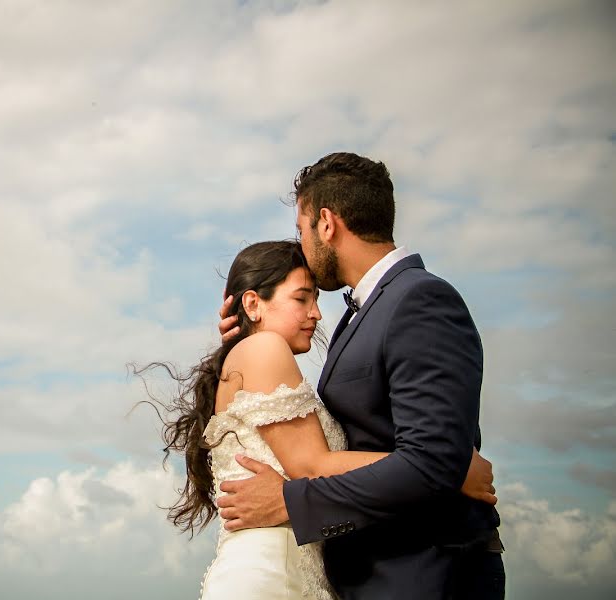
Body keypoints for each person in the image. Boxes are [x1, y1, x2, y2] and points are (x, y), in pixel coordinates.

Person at [137, 241, 497, 599]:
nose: (316, 314)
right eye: (301, 299)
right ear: (252, 303)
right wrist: (449, 467)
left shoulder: (248, 357)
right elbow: (313, 465)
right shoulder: (264, 349)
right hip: (272, 574)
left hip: (287, 570)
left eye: (315, 300)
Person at [216, 153, 505, 599]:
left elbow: (430, 461)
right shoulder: (362, 315)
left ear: (326, 224)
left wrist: (290, 500)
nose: (304, 250)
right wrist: (244, 341)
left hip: (423, 573)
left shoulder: (419, 299)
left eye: (302, 230)